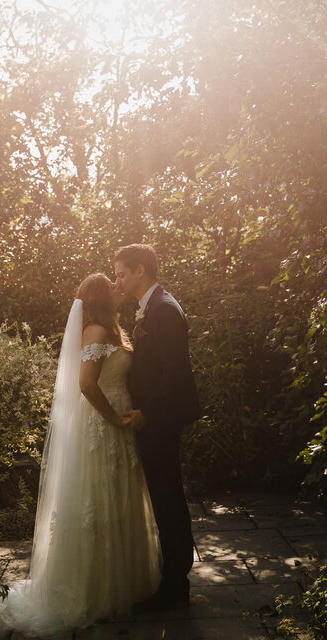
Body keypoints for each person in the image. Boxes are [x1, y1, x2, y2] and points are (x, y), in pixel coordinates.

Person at [0, 273, 161, 638]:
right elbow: (85, 384)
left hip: (120, 423)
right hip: (102, 423)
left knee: (119, 499)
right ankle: (92, 591)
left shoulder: (113, 329)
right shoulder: (94, 332)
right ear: (99, 297)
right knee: (97, 501)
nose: (116, 286)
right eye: (110, 283)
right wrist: (113, 418)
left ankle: (121, 583)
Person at [114, 243, 201, 611]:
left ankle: (175, 586)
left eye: (121, 273)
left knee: (168, 498)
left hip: (161, 420)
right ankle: (173, 578)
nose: (117, 280)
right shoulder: (153, 306)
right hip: (157, 418)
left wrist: (147, 411)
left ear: (140, 271)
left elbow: (176, 371)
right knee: (164, 497)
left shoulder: (163, 309)